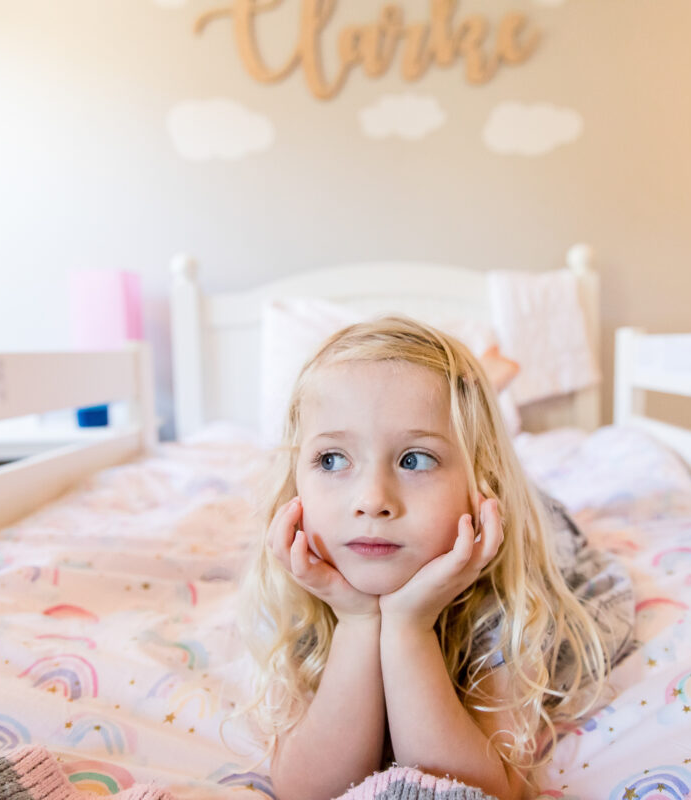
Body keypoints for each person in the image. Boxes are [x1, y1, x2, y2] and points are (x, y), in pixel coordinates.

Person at [238, 316, 632, 800]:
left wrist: (408, 625)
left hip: (541, 523)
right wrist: (356, 621)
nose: (371, 500)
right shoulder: (290, 593)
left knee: (531, 501)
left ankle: (486, 401)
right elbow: (308, 791)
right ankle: (480, 392)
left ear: (475, 487)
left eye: (414, 459)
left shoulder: (513, 597)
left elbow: (481, 789)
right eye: (332, 459)